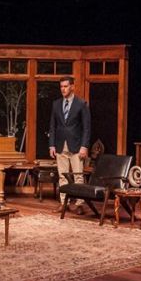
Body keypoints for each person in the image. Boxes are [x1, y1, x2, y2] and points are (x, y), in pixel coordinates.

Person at [48, 76, 91, 214]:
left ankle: (79, 203)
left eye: (66, 86)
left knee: (78, 175)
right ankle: (63, 202)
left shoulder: (81, 104)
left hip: (77, 146)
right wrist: (52, 145)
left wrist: (84, 146)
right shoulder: (56, 104)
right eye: (61, 86)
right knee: (62, 175)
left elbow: (86, 128)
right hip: (61, 145)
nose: (63, 89)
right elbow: (52, 126)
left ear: (72, 86)